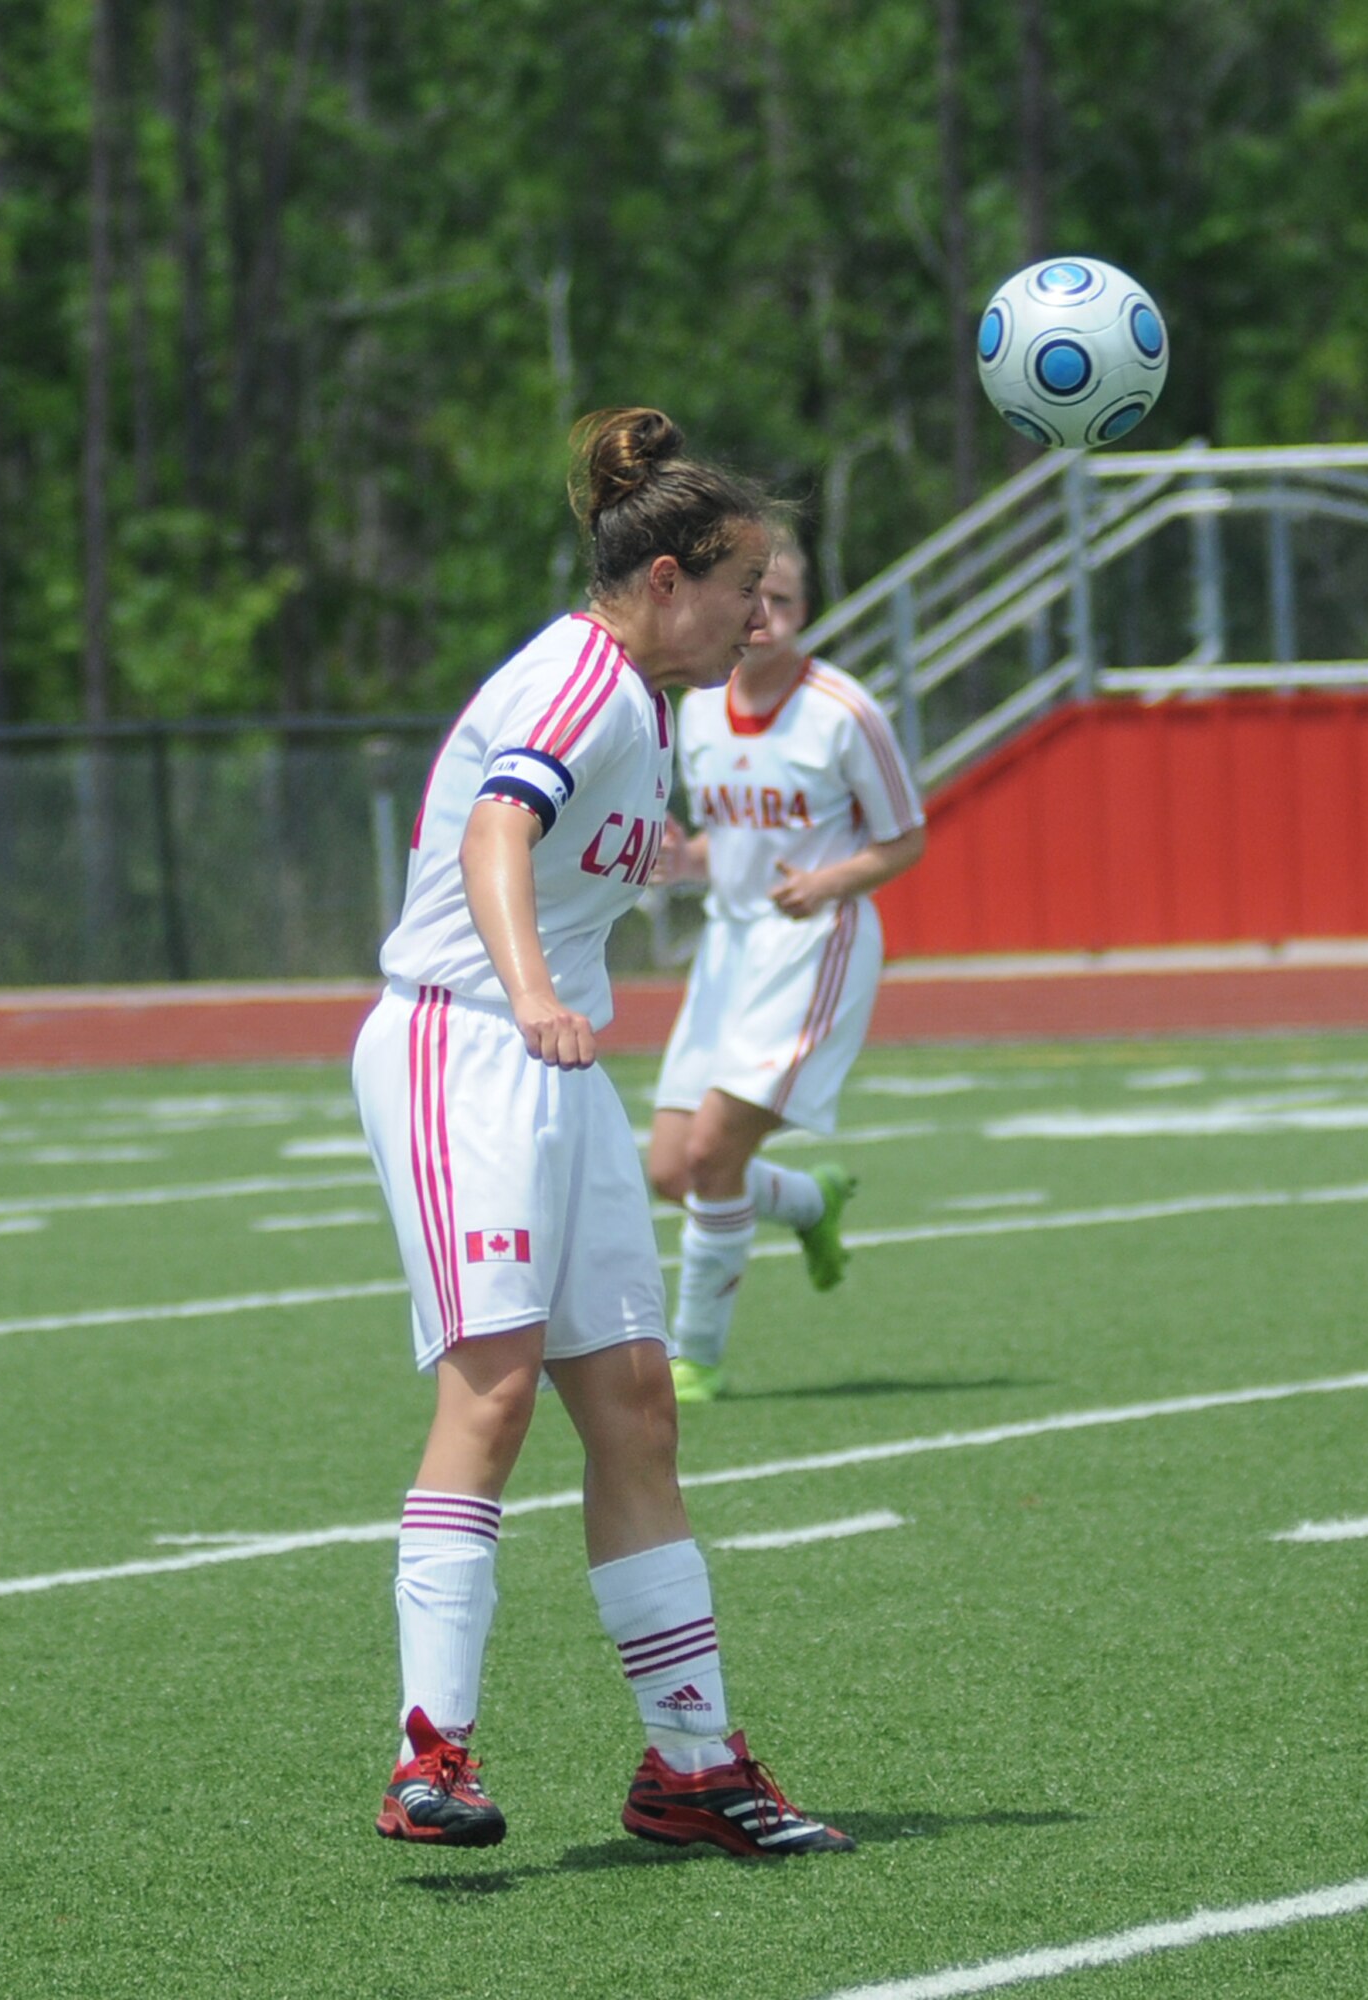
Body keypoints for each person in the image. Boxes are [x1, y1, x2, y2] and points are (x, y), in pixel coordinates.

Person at [351, 408, 853, 1859]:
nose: (762, 614)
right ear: (664, 580)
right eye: (743, 586)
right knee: (493, 1395)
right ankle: (426, 1760)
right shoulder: (583, 680)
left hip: (549, 1063)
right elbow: (495, 835)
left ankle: (690, 1766)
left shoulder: (649, 700)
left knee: (634, 1404)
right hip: (465, 1043)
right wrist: (526, 994)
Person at [647, 534, 926, 1403]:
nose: (764, 616)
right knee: (669, 1171)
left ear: (809, 611)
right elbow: (723, 844)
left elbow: (904, 838)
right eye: (750, 595)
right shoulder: (697, 706)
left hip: (814, 946)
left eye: (787, 601)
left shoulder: (843, 711)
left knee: (711, 1149)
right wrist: (681, 860)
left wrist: (828, 881)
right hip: (726, 949)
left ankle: (693, 1357)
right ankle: (809, 1204)